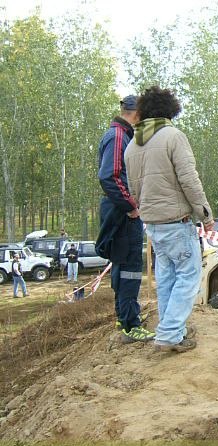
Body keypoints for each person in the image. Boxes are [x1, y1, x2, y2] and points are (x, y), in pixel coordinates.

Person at [125, 86, 214, 353]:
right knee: (188, 277)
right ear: (169, 110)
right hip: (177, 220)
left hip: (152, 224)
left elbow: (133, 189)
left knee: (166, 279)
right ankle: (170, 333)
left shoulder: (132, 145)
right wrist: (205, 214)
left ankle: (172, 329)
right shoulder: (173, 136)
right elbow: (189, 180)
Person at [96, 95, 155, 344]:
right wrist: (131, 206)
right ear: (135, 113)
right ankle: (131, 325)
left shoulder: (118, 134)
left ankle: (124, 317)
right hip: (122, 212)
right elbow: (109, 176)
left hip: (116, 210)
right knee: (130, 266)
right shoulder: (119, 136)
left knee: (121, 264)